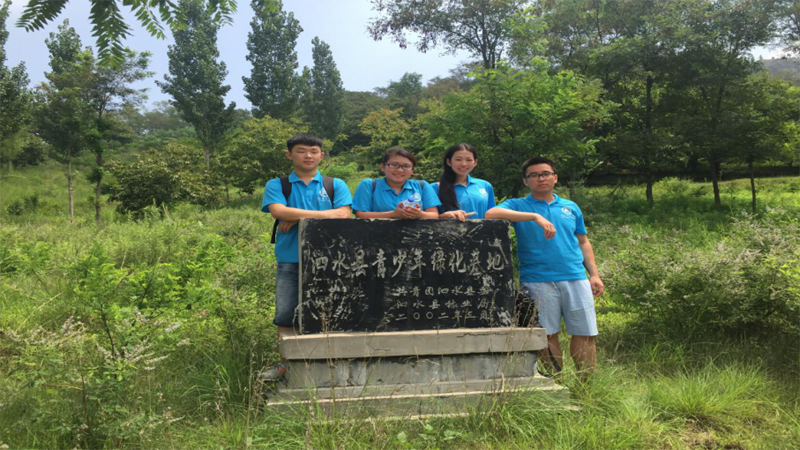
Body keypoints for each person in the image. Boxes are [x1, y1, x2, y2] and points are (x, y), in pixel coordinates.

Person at [485, 157, 604, 373]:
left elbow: (583, 241)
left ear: (555, 178)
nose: (541, 178)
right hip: (537, 279)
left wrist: (594, 274)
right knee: (546, 334)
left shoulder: (570, 207)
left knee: (585, 333)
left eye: (546, 174)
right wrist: (534, 216)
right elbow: (490, 214)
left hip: (575, 276)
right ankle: (557, 383)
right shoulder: (518, 205)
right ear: (526, 181)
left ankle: (586, 385)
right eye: (534, 175)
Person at [260, 133, 353, 380]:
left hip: (331, 261)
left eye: (314, 151)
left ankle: (330, 364)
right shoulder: (278, 185)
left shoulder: (335, 185)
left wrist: (296, 216)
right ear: (289, 155)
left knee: (332, 310)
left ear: (322, 155)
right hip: (291, 259)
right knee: (286, 314)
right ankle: (287, 366)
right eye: (301, 151)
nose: (308, 155)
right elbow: (277, 211)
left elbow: (344, 215)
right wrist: (319, 215)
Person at [352, 147, 440, 219]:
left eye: (406, 166)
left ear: (412, 170)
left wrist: (419, 214)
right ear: (383, 167)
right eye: (394, 165)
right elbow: (360, 215)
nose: (400, 170)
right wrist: (393, 214)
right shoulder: (369, 185)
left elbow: (434, 215)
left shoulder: (422, 186)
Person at [432, 143, 495, 221]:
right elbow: (426, 218)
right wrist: (443, 216)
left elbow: (492, 216)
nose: (464, 164)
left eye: (469, 160)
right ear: (449, 162)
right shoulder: (434, 188)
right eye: (458, 159)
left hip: (482, 229)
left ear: (475, 162)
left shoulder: (485, 185)